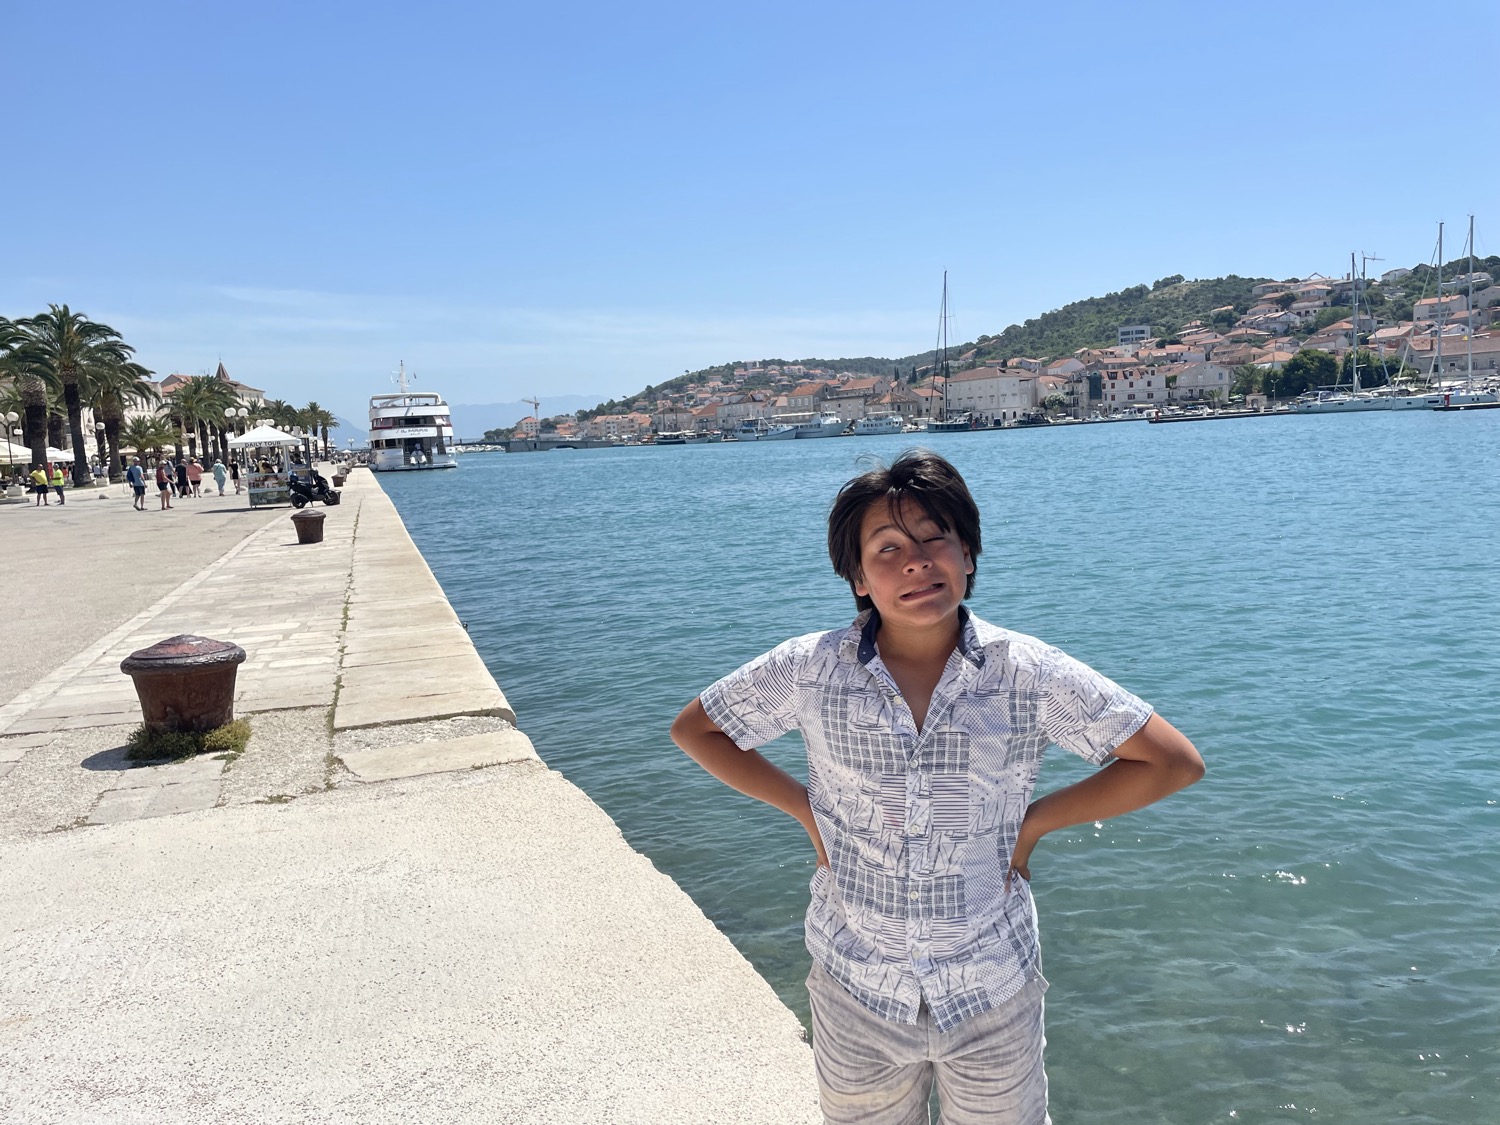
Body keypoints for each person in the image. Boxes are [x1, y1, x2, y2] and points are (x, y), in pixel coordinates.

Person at [670, 450, 1204, 1125]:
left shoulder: (1027, 673)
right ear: (858, 577)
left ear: (968, 554)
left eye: (933, 538)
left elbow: (1170, 762)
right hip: (856, 983)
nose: (916, 561)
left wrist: (1032, 824)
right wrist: (807, 810)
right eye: (887, 548)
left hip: (990, 987)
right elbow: (699, 729)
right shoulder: (811, 669)